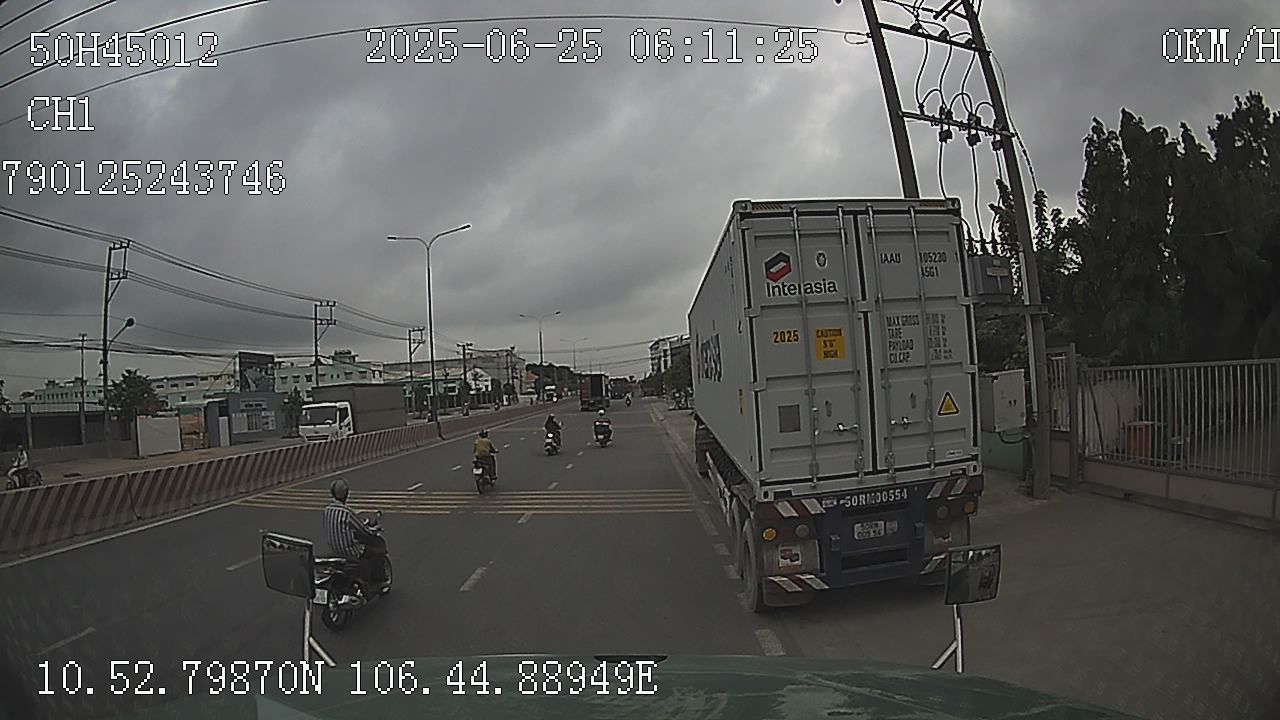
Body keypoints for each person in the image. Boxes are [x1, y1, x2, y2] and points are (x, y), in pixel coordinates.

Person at [322, 478, 387, 586]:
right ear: (346, 494)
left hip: (334, 549)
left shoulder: (327, 510)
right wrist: (375, 529)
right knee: (377, 549)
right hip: (350, 551)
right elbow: (363, 530)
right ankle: (379, 580)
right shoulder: (347, 512)